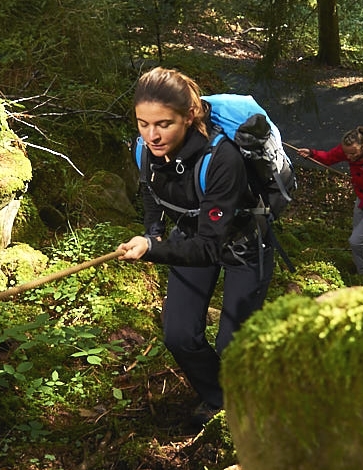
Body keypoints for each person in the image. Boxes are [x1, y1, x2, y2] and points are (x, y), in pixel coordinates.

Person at [117, 67, 274, 432]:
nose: (152, 135)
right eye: (143, 123)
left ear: (189, 116)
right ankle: (219, 398)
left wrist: (153, 247)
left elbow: (209, 248)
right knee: (179, 335)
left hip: (244, 244)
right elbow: (151, 192)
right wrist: (152, 231)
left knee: (233, 344)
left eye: (163, 124)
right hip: (192, 237)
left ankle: (250, 413)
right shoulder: (144, 149)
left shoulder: (222, 159)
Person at [297, 127, 363, 275]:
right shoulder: (349, 150)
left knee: (356, 240)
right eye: (346, 153)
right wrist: (312, 153)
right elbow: (329, 157)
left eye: (353, 153)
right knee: (362, 235)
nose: (349, 157)